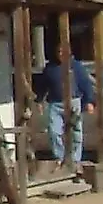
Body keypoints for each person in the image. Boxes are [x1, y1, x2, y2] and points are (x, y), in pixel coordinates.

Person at [35, 42, 97, 170]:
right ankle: (60, 156)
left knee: (76, 132)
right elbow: (42, 87)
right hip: (55, 104)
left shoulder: (76, 67)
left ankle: (75, 159)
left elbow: (85, 84)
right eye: (59, 52)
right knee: (54, 131)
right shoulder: (50, 68)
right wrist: (39, 101)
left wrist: (89, 102)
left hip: (74, 102)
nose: (61, 55)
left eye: (63, 52)